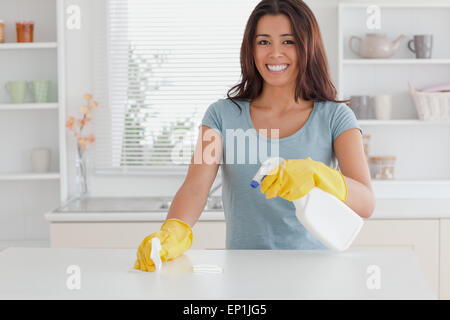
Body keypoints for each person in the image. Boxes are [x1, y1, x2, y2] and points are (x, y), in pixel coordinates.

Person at [134, 0, 375, 272]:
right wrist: (173, 231)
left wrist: (318, 174)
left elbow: (365, 202)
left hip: (316, 273)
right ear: (250, 48)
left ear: (308, 46)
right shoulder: (221, 116)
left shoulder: (335, 117)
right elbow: (195, 187)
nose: (274, 53)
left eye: (288, 42)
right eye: (263, 42)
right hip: (243, 273)